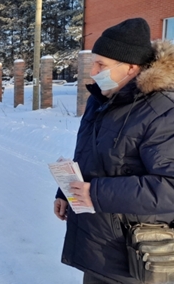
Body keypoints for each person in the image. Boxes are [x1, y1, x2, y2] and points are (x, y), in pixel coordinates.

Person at [53, 18, 174, 283]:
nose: (93, 71)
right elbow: (90, 156)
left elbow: (170, 187)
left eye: (101, 64)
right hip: (97, 247)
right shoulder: (101, 100)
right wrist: (67, 190)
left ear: (131, 68)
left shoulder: (163, 111)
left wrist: (95, 193)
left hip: (136, 258)